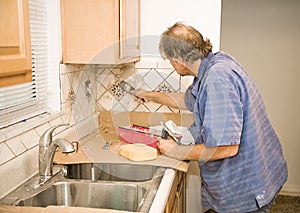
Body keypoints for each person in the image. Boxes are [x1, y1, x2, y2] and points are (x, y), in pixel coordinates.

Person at [136, 22, 288, 213]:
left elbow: (226, 147)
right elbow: (187, 100)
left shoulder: (217, 77)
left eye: (170, 60)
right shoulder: (213, 65)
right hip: (263, 172)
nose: (171, 65)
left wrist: (176, 151)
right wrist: (149, 95)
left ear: (179, 59)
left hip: (247, 187)